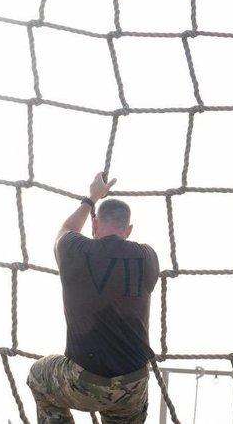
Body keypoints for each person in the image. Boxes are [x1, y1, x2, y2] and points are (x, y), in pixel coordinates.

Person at [27, 172, 160, 424]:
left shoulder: (75, 250)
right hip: (132, 383)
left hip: (84, 380)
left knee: (38, 375)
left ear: (94, 225)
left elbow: (65, 230)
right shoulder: (147, 256)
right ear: (128, 230)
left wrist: (91, 198)